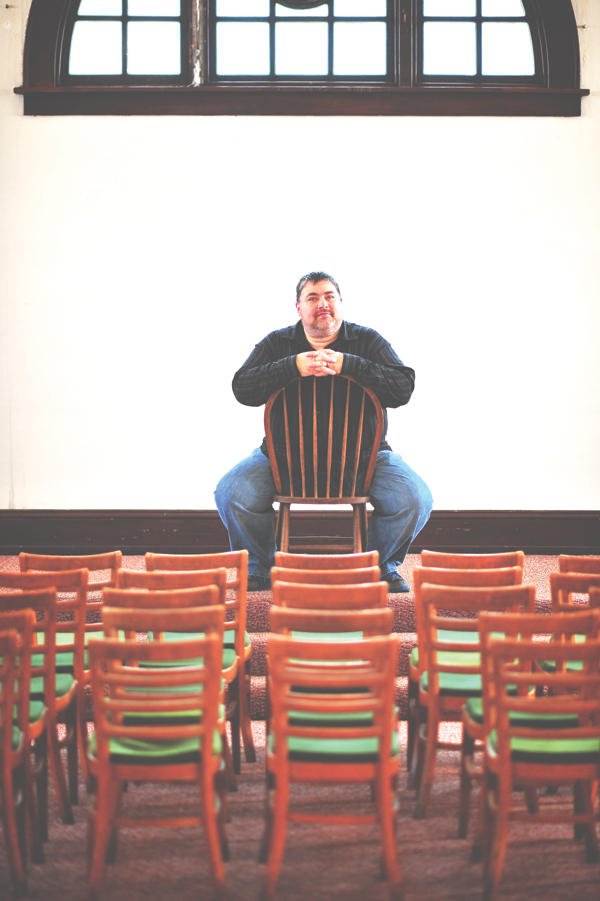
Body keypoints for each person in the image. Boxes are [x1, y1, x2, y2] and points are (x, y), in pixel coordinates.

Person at [215, 271, 433, 592]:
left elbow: (403, 387)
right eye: (313, 298)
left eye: (329, 296)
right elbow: (243, 388)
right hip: (283, 458)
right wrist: (292, 366)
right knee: (231, 494)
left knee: (415, 499)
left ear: (341, 303)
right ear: (298, 308)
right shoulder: (278, 343)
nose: (322, 304)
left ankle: (380, 567)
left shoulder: (367, 340)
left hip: (365, 459)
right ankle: (261, 568)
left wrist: (351, 364)